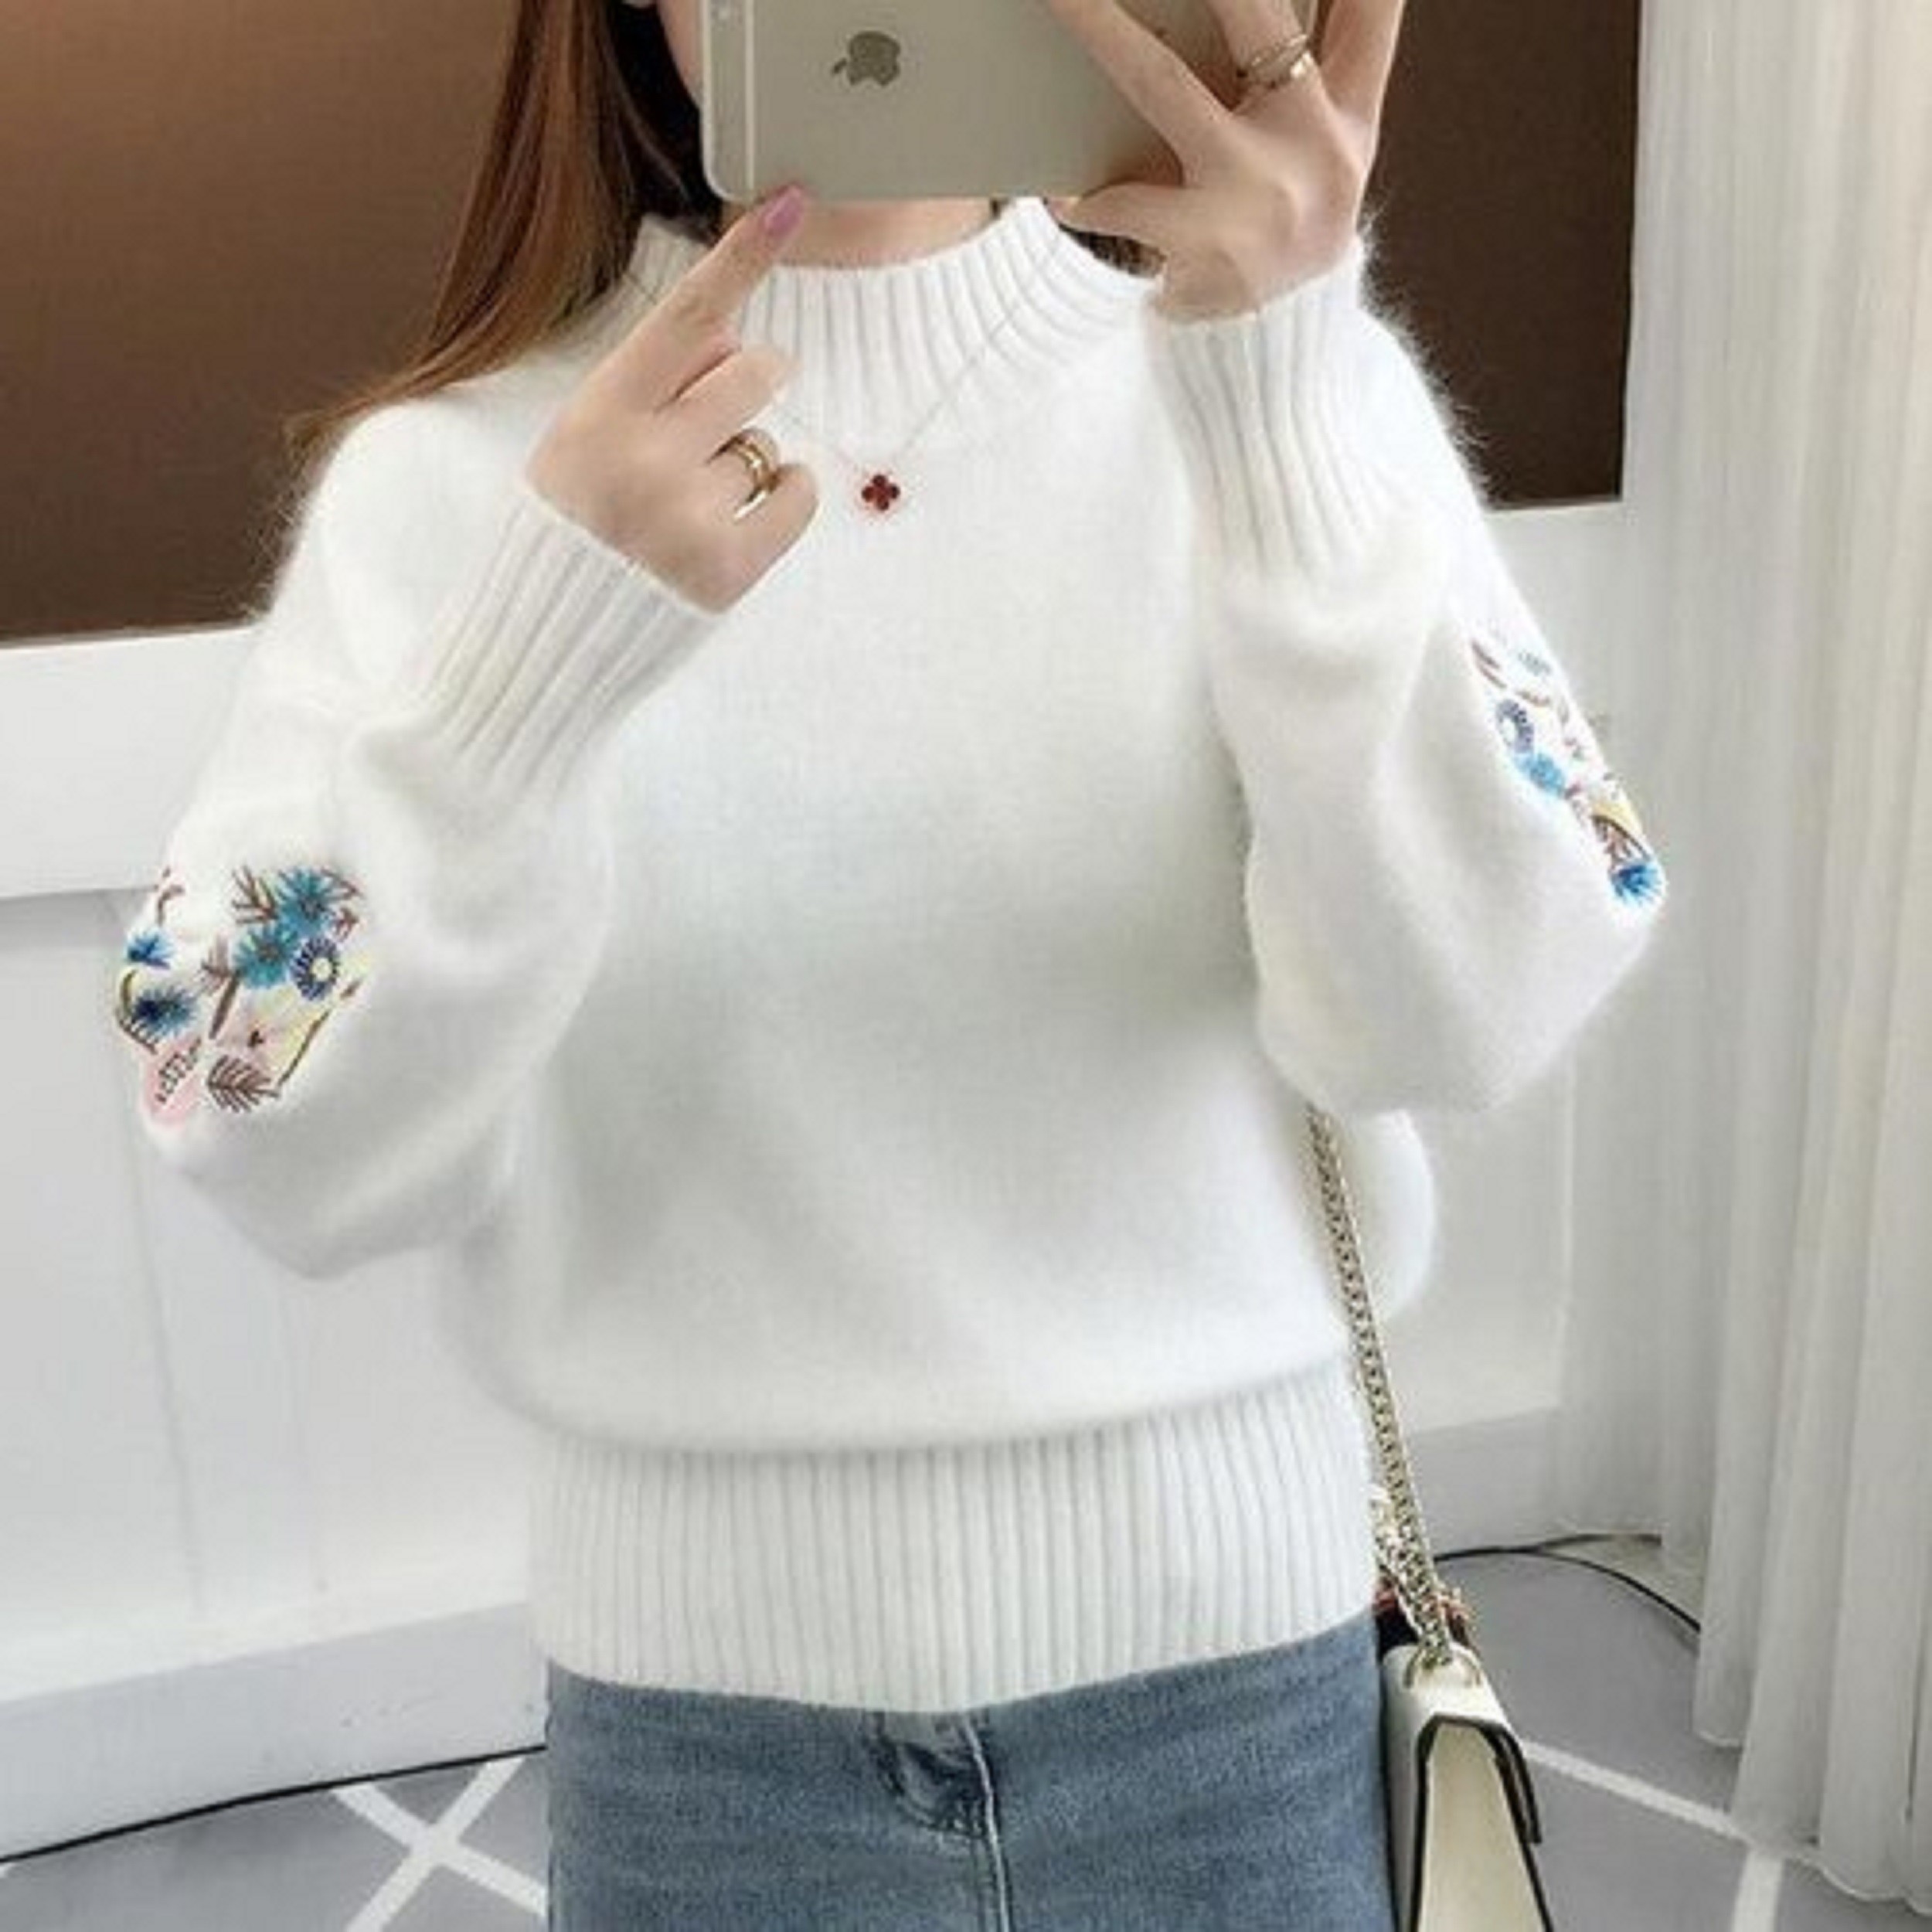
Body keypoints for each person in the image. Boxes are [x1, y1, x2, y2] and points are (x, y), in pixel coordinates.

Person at [108, 0, 1668, 1923]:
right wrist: (528, 666)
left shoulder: (1267, 380)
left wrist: (1280, 387)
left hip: (1235, 1679)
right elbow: (251, 1119)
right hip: (705, 1742)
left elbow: (1479, 999)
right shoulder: (457, 485)